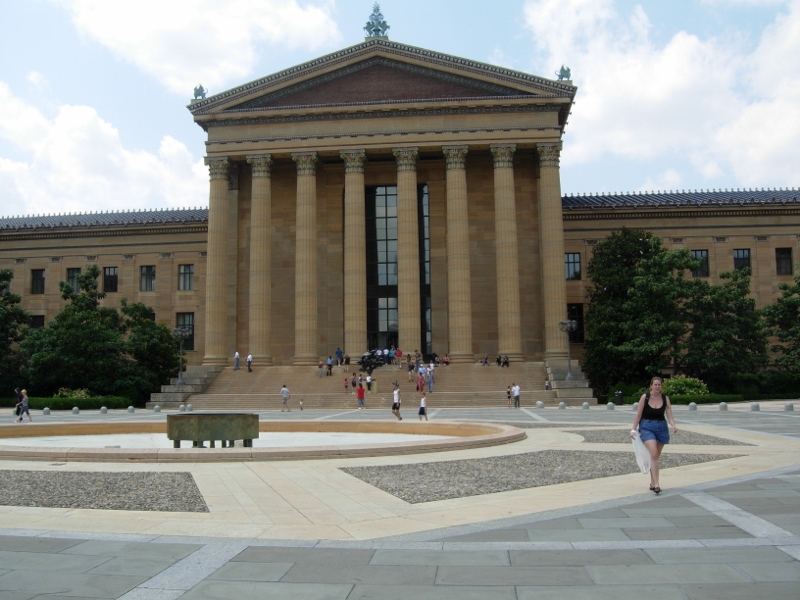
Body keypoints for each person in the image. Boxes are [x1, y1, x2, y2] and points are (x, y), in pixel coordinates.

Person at [631, 376, 678, 494]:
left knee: (655, 457)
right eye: (655, 385)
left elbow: (669, 415)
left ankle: (652, 482)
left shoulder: (665, 398)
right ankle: (657, 484)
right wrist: (633, 428)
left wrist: (673, 425)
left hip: (661, 428)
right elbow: (638, 414)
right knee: (653, 453)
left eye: (659, 385)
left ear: (661, 387)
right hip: (647, 427)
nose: (657, 387)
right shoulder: (645, 397)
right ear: (651, 386)